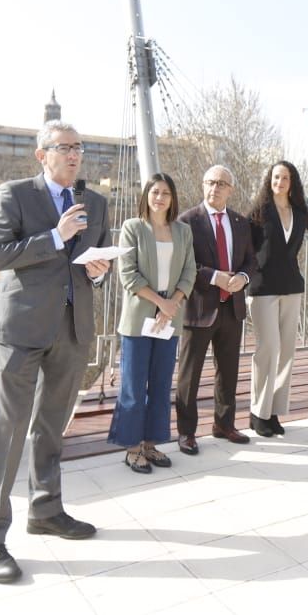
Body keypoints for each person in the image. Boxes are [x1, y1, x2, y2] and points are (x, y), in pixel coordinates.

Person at [0, 121, 110, 584]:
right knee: (6, 433)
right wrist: (54, 236)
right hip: (22, 330)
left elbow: (91, 270)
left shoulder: (97, 203)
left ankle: (46, 510)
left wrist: (97, 272)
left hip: (72, 330)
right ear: (41, 154)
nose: (74, 155)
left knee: (52, 428)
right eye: (65, 148)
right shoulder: (14, 195)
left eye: (79, 147)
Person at [108, 173, 196, 472]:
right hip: (140, 317)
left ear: (173, 199)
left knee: (160, 385)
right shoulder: (133, 228)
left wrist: (173, 304)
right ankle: (132, 448)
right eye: (155, 192)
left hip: (169, 318)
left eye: (166, 193)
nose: (160, 198)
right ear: (146, 195)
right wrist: (161, 303)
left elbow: (189, 272)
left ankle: (151, 444)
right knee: (133, 385)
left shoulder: (182, 231)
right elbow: (128, 275)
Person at [174, 166, 257, 453]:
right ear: (202, 184)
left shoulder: (240, 222)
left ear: (231, 189)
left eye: (222, 184)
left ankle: (224, 424)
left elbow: (250, 261)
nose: (215, 188)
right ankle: (186, 432)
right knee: (190, 375)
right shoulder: (187, 221)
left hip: (231, 308)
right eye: (210, 182)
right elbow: (183, 264)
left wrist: (242, 279)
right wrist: (214, 276)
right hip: (199, 308)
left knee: (228, 371)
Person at [246, 161, 308, 438]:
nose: (280, 181)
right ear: (269, 180)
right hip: (263, 288)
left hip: (291, 287)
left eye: (285, 177)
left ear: (292, 182)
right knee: (268, 348)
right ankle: (258, 412)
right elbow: (248, 251)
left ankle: (272, 412)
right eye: (276, 177)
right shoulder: (258, 212)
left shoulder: (299, 213)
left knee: (286, 352)